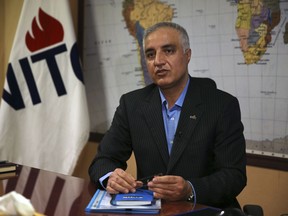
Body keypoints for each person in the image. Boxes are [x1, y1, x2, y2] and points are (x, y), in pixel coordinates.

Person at [89, 22, 246, 209]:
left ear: (187, 55)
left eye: (168, 51)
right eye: (150, 54)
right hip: (153, 210)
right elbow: (102, 161)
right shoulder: (132, 105)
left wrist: (190, 189)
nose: (158, 61)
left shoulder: (221, 105)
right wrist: (111, 177)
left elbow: (233, 175)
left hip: (203, 209)